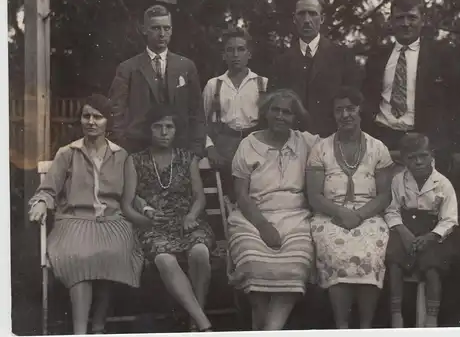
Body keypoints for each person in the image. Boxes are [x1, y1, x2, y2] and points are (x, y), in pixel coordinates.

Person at [28, 94, 144, 335]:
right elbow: (49, 188)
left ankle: (99, 327)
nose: (91, 121)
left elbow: (131, 196)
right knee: (80, 256)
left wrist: (146, 208)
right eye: (86, 116)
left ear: (107, 122)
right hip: (74, 222)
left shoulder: (121, 156)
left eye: (98, 117)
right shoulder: (67, 153)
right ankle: (80, 332)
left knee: (112, 254)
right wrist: (41, 202)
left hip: (112, 222)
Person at [227, 89, 319, 331]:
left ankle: (270, 330)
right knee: (252, 262)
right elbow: (242, 196)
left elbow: (338, 145)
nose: (280, 116)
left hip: (295, 216)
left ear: (294, 118)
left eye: (287, 112)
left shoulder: (306, 142)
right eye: (275, 110)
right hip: (253, 215)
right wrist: (263, 226)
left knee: (296, 264)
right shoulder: (248, 145)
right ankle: (263, 324)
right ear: (265, 113)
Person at [306, 86, 394, 329]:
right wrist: (341, 213)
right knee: (337, 252)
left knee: (371, 252)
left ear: (359, 110)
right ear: (333, 114)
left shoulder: (378, 148)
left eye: (350, 109)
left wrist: (359, 214)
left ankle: (365, 327)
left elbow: (385, 195)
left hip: (369, 215)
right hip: (329, 215)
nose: (345, 115)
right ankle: (342, 326)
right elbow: (314, 195)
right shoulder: (320, 148)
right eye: (339, 110)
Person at [361, 0, 460, 175]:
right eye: (399, 18)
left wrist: (458, 147)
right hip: (384, 140)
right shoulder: (377, 57)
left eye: (412, 17)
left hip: (425, 142)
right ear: (391, 22)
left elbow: (457, 103)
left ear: (422, 20)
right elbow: (367, 101)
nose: (405, 23)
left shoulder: (441, 56)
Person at [131, 104, 215, 332]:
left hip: (187, 221)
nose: (164, 132)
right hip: (154, 224)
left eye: (169, 127)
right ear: (149, 130)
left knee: (200, 251)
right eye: (158, 127)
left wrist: (191, 216)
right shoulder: (136, 160)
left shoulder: (188, 158)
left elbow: (199, 197)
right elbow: (132, 196)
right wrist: (146, 209)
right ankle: (202, 323)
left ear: (176, 130)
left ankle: (193, 322)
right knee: (164, 259)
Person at [108, 4, 206, 156]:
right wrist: (124, 147)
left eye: (166, 28)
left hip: (180, 149)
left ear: (172, 30)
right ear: (144, 29)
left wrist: (196, 149)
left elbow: (197, 112)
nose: (162, 34)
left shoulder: (186, 66)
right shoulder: (128, 68)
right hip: (139, 149)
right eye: (156, 28)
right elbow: (116, 113)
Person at [384, 133, 458, 328]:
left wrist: (432, 236)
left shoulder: (442, 183)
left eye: (423, 156)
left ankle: (431, 318)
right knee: (394, 262)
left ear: (431, 155)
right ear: (403, 159)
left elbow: (450, 218)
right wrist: (403, 232)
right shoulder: (398, 181)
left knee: (432, 267)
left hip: (432, 232)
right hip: (404, 229)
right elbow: (391, 210)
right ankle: (396, 315)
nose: (418, 162)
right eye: (411, 157)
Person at [267, 0, 363, 137]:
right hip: (292, 141)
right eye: (301, 14)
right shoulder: (281, 61)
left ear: (322, 18)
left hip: (332, 140)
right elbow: (273, 106)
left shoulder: (342, 56)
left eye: (312, 14)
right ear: (294, 19)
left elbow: (353, 103)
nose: (307, 20)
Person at [203, 27, 267, 200]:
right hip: (225, 145)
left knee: (258, 193)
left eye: (241, 49)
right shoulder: (214, 85)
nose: (235, 55)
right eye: (230, 50)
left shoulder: (262, 84)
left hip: (256, 143)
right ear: (223, 55)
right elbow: (202, 121)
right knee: (230, 196)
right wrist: (210, 148)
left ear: (249, 54)